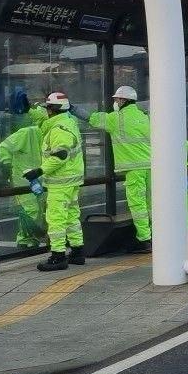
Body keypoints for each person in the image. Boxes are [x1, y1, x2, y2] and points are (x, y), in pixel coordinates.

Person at [73, 86, 153, 254]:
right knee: (151, 203)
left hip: (134, 169)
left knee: (138, 205)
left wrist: (72, 109)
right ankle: (156, 236)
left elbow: (92, 118)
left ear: (123, 100)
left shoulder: (116, 118)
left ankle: (144, 240)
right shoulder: (144, 117)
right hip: (152, 167)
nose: (115, 102)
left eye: (116, 99)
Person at [23, 92, 85, 272]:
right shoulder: (68, 121)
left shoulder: (58, 129)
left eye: (47, 108)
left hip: (61, 181)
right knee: (72, 216)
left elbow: (60, 156)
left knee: (56, 218)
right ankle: (77, 251)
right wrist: (29, 110)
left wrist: (38, 171)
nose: (45, 111)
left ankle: (58, 256)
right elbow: (42, 119)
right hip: (71, 180)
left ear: (52, 110)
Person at [0, 123, 46, 248]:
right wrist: (7, 164)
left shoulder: (52, 134)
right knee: (31, 209)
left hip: (39, 178)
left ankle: (32, 238)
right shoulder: (27, 133)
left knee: (40, 210)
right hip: (22, 179)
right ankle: (24, 239)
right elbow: (4, 147)